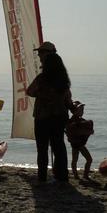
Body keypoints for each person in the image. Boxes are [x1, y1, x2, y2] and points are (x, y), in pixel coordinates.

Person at [25, 41, 73, 183]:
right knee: (59, 146)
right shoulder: (63, 80)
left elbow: (29, 91)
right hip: (59, 116)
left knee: (42, 148)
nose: (39, 55)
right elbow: (67, 99)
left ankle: (42, 177)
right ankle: (62, 177)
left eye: (41, 53)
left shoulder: (41, 79)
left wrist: (41, 94)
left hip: (42, 116)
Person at [66, 100, 93, 180]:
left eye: (82, 110)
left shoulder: (82, 121)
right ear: (74, 111)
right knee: (87, 159)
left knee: (76, 160)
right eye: (80, 110)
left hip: (79, 144)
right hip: (77, 144)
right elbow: (73, 131)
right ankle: (81, 175)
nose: (82, 111)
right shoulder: (72, 122)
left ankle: (80, 175)